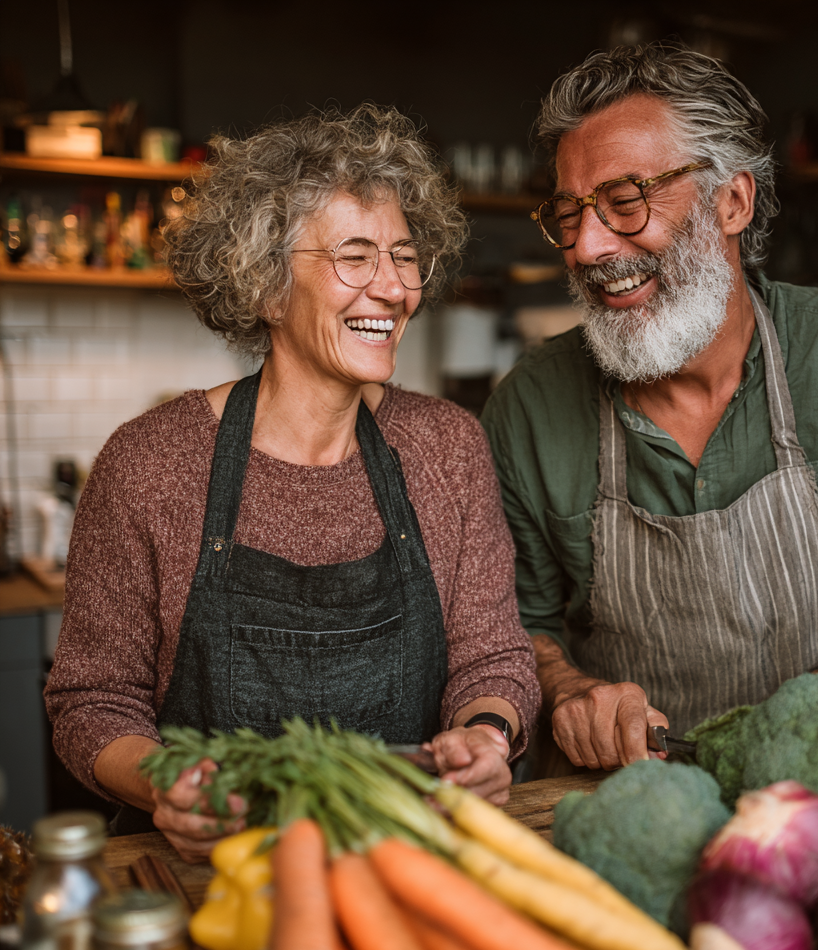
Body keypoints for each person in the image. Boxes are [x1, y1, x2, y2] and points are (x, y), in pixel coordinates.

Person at [45, 105, 540, 861]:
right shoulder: (149, 465)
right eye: (354, 257)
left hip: (406, 857)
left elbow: (492, 658)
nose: (392, 288)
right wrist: (165, 785)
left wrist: (487, 734)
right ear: (266, 286)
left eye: (404, 257)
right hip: (209, 872)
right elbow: (92, 702)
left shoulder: (448, 449)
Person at [481, 45, 818, 775]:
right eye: (568, 213)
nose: (586, 246)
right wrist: (572, 690)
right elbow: (521, 625)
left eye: (624, 203)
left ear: (732, 202)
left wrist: (809, 725)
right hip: (623, 796)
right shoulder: (529, 406)